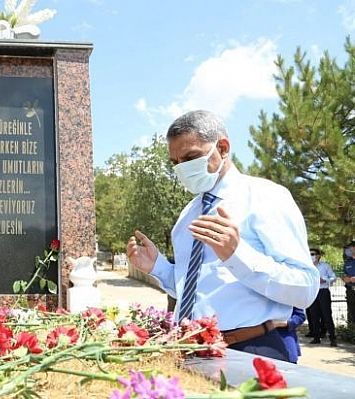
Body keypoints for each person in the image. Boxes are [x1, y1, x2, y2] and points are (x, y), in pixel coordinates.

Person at [126, 110, 319, 362]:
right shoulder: (188, 215)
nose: (182, 169)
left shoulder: (266, 197)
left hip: (255, 348)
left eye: (191, 157)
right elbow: (197, 286)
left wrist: (237, 255)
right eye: (175, 163)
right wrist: (158, 268)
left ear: (223, 147)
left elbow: (305, 288)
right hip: (196, 350)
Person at [306, 248, 337, 346]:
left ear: (319, 255)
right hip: (312, 292)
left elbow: (333, 277)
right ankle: (316, 337)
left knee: (326, 315)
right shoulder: (307, 267)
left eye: (313, 254)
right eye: (310, 254)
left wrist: (324, 280)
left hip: (323, 291)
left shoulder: (325, 266)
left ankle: (332, 338)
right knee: (313, 315)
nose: (311, 256)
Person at [343, 241, 355, 324]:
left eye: (350, 248)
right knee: (352, 313)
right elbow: (343, 274)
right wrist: (344, 278)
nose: (348, 250)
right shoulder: (347, 261)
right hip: (350, 290)